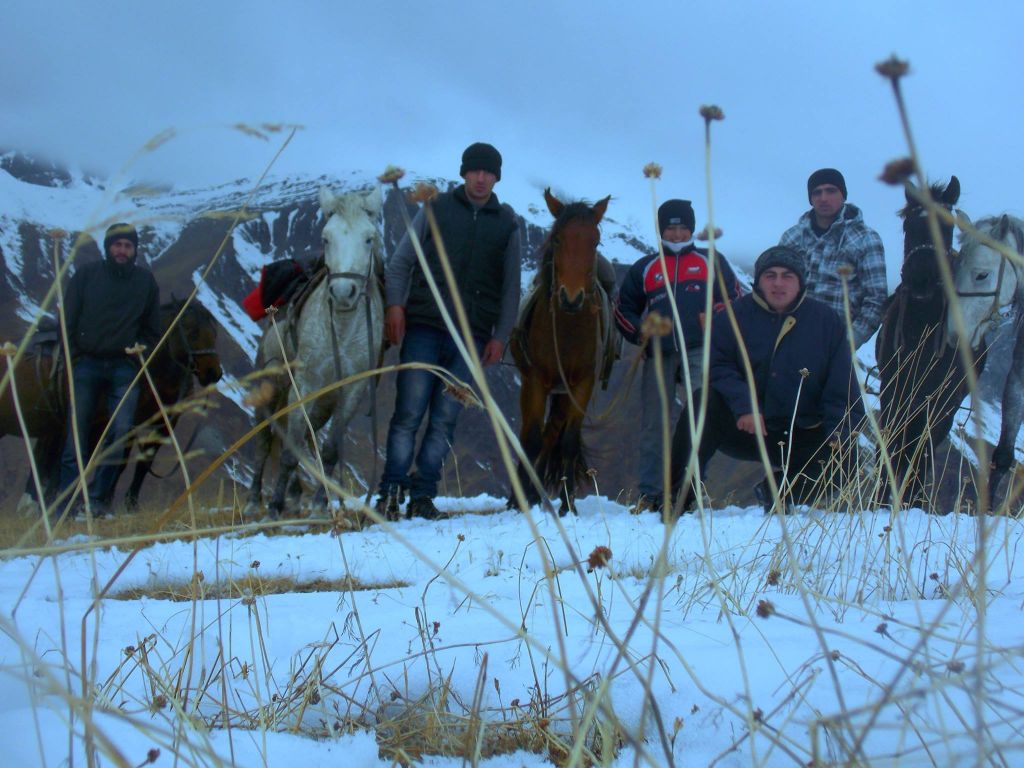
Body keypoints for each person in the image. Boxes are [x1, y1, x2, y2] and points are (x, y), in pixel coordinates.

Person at [376, 142, 521, 519]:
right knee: (408, 413)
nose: (481, 178)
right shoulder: (436, 208)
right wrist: (395, 305)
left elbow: (511, 289)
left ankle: (423, 495)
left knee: (444, 419)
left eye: (488, 172)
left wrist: (500, 336)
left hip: (471, 337)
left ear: (497, 178)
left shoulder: (507, 224)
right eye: (475, 170)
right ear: (464, 173)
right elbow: (401, 262)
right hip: (424, 326)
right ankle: (390, 493)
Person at [677, 245, 864, 513]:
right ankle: (677, 496)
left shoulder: (826, 321)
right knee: (702, 404)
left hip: (804, 431)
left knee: (847, 461)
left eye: (787, 276)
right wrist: (744, 405)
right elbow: (717, 367)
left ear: (800, 282)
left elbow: (841, 387)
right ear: (758, 280)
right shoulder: (732, 317)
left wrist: (840, 436)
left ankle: (779, 492)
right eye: (770, 275)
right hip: (748, 427)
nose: (778, 283)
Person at [615, 199, 743, 512]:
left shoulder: (710, 261)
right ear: (661, 230)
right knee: (654, 424)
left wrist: (715, 316)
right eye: (670, 228)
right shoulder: (646, 267)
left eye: (683, 227)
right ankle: (650, 493)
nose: (676, 234)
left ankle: (691, 489)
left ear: (692, 229)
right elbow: (623, 308)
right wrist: (639, 331)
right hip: (658, 353)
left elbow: (734, 299)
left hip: (700, 349)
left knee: (699, 419)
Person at [57, 223, 161, 517]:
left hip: (123, 367)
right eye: (117, 245)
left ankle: (98, 502)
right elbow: (69, 318)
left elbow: (153, 329)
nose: (122, 250)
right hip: (86, 363)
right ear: (108, 247)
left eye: (128, 246)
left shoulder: (145, 282)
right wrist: (74, 356)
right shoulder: (86, 275)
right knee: (76, 435)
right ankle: (66, 504)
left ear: (135, 250)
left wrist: (138, 357)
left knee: (120, 431)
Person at [779, 168, 886, 349]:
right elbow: (775, 286)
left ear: (843, 195)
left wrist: (847, 343)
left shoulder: (866, 239)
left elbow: (876, 300)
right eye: (817, 192)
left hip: (834, 343)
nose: (823, 198)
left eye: (831, 191)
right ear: (810, 198)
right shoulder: (792, 237)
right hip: (788, 339)